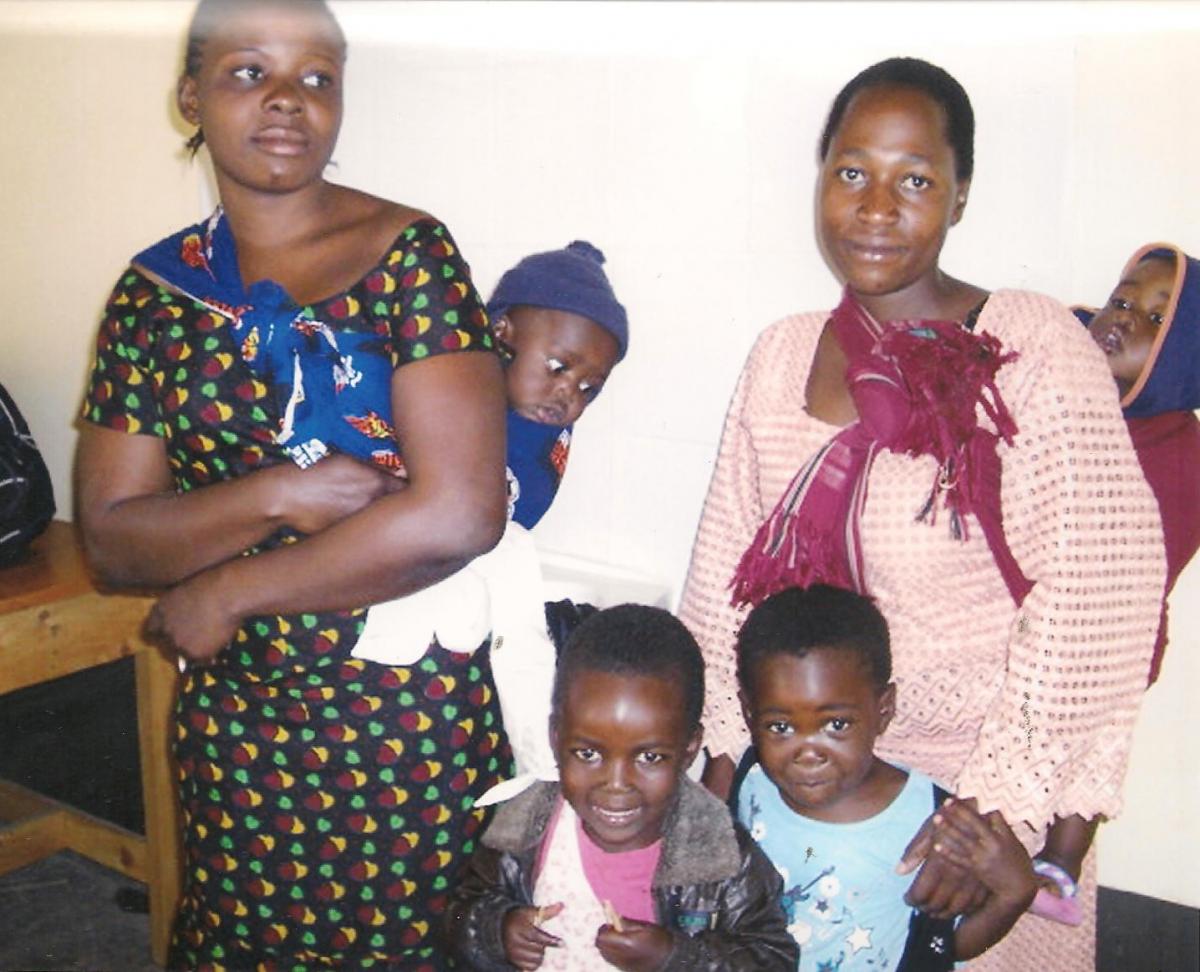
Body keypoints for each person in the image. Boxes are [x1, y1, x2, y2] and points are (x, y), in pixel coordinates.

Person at [677, 56, 1164, 969]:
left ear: (961, 196)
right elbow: (720, 588)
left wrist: (996, 808)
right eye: (852, 172)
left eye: (916, 180)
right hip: (803, 774)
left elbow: (1103, 585)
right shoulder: (781, 356)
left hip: (976, 791)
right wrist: (716, 782)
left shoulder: (1027, 343)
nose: (875, 207)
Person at [76, 1, 511, 968]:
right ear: (191, 95)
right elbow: (111, 537)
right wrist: (276, 494)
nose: (287, 99)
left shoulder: (412, 258)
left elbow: (460, 511)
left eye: (318, 76)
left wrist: (230, 586)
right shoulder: (155, 296)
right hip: (239, 719)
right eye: (247, 72)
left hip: (403, 723)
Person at [349, 240, 628, 786]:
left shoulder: (538, 429)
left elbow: (511, 505)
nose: (567, 393)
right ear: (501, 334)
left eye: (588, 388)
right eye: (557, 366)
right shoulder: (445, 382)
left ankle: (535, 766)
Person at [443, 604, 798, 971]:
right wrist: (496, 931)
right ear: (556, 737)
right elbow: (460, 910)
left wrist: (674, 958)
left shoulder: (721, 855)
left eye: (649, 758)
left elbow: (772, 960)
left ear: (689, 748)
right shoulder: (525, 823)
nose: (615, 785)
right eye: (587, 753)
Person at [733, 585, 1036, 969]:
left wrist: (1015, 892)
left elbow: (948, 943)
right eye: (780, 727)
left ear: (884, 709)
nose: (808, 753)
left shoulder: (927, 818)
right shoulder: (750, 782)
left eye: (836, 724)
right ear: (748, 714)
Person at [1076, 243, 1200, 686]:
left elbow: (1131, 573)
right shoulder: (1059, 393)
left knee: (1030, 739)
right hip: (1004, 629)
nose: (1125, 318)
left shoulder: (1179, 451)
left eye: (1158, 319)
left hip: (1100, 657)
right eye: (1121, 301)